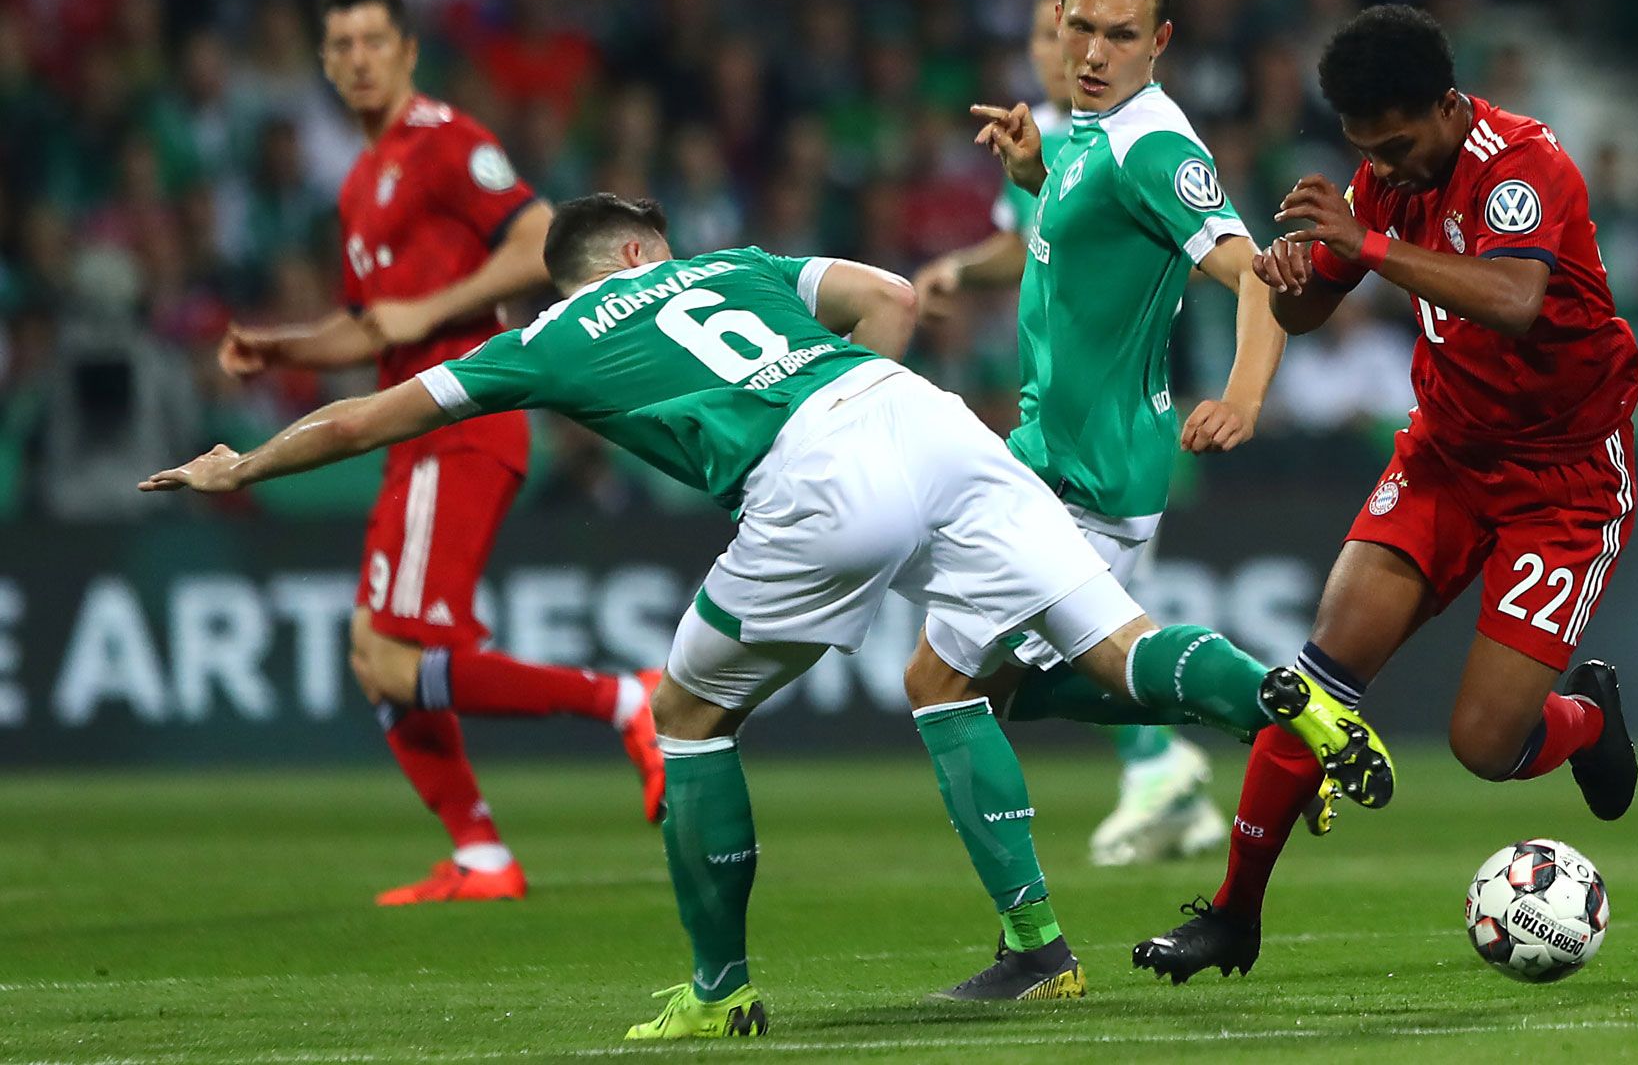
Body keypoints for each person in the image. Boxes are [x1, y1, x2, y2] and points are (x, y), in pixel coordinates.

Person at [143, 192, 1396, 1038]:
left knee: (688, 715)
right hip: (916, 417)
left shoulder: (552, 331)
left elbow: (373, 418)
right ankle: (1299, 704)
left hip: (814, 473)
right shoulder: (736, 267)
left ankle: (718, 991)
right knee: (1116, 646)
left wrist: (244, 466)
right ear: (641, 253)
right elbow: (892, 295)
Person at [1133, 4, 1638, 983]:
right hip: (1447, 458)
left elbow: (1513, 300)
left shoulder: (1524, 167)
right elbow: (1311, 307)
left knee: (1486, 745)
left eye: (1401, 146)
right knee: (1315, 682)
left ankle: (1583, 715)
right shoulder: (1384, 179)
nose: (1389, 167)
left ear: (1449, 107)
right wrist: (1290, 276)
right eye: (1369, 150)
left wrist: (1362, 247)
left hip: (1565, 480)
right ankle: (1234, 915)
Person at [214, 0, 664, 906]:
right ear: (327, 63)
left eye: (375, 39)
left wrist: (430, 309)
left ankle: (627, 703)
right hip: (414, 427)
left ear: (408, 49)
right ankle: (482, 854)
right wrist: (285, 347)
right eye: (340, 44)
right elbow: (370, 324)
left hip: (460, 416)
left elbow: (540, 240)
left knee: (387, 655)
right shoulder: (360, 181)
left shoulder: (446, 140)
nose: (359, 57)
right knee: (374, 655)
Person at [913, 0, 1231, 869]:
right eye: (1067, 32)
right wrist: (1010, 200)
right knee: (1026, 659)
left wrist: (1242, 393)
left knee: (979, 670)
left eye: (1107, 34)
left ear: (1153, 41)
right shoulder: (1065, 137)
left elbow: (1238, 269)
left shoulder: (1141, 142)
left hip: (1100, 455)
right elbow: (1048, 234)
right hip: (1052, 443)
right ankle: (1179, 759)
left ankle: (1238, 722)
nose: (1077, 52)